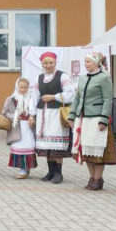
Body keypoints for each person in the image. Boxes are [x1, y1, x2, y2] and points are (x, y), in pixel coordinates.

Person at [68, 52, 116, 191]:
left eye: (88, 61)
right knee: (86, 149)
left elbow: (108, 99)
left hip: (96, 117)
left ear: (96, 63)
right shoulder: (82, 78)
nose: (85, 64)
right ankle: (92, 177)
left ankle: (98, 178)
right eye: (85, 61)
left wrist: (104, 119)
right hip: (83, 118)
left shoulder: (104, 78)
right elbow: (77, 98)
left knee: (97, 149)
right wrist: (72, 115)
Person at [28, 51, 75, 184]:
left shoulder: (62, 76)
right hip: (43, 113)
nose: (48, 65)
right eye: (45, 63)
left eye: (51, 63)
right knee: (46, 145)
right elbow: (34, 97)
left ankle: (58, 173)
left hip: (56, 114)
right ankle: (50, 172)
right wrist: (32, 114)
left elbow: (71, 94)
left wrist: (54, 97)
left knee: (56, 145)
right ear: (42, 64)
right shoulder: (39, 78)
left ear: (55, 63)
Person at [1, 78, 37, 179]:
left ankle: (26, 168)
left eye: (25, 87)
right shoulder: (11, 99)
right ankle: (22, 169)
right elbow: (4, 112)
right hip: (17, 127)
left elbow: (35, 111)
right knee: (19, 147)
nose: (23, 89)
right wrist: (14, 117)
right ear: (17, 87)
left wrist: (32, 118)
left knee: (28, 147)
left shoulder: (31, 99)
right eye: (21, 87)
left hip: (28, 128)